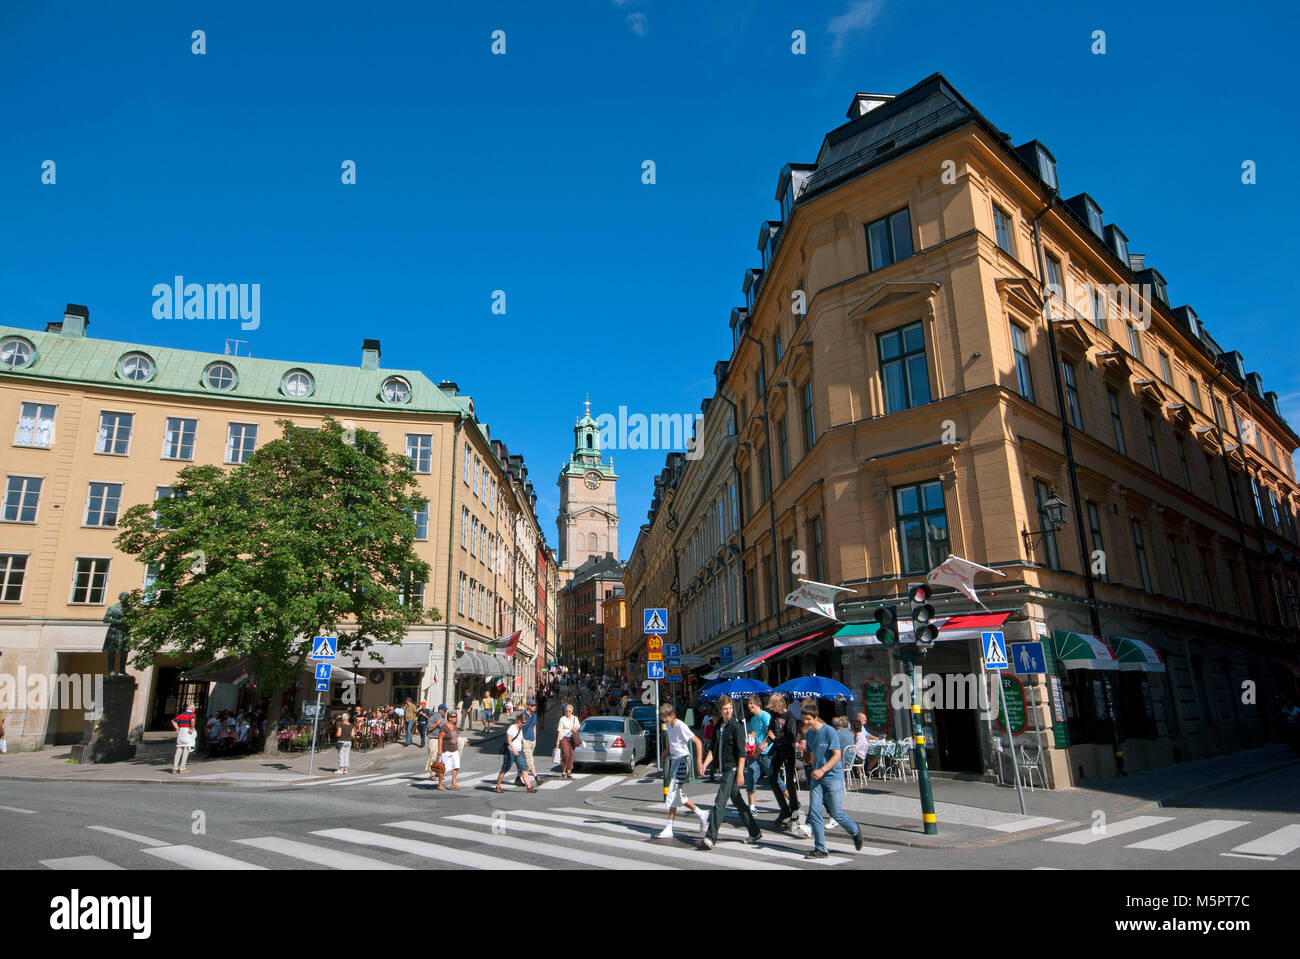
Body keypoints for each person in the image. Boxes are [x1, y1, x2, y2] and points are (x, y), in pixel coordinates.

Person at [800, 699, 863, 859]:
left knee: (836, 812)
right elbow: (812, 754)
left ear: (815, 718)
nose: (806, 722)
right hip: (817, 778)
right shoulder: (809, 734)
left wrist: (822, 769)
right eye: (804, 719)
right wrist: (807, 758)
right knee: (814, 812)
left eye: (808, 719)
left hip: (833, 776)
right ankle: (820, 848)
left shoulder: (829, 732)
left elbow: (837, 755)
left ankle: (855, 830)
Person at [698, 695, 762, 850]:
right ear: (720, 710)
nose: (728, 711)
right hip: (724, 768)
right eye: (725, 709)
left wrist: (740, 772)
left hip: (732, 769)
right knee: (738, 801)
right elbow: (713, 749)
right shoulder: (719, 726)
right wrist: (704, 765)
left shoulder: (737, 727)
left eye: (730, 708)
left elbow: (741, 753)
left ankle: (711, 837)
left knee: (719, 802)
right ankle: (755, 832)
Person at [656, 704, 710, 839]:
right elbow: (673, 743)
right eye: (662, 718)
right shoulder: (669, 726)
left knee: (672, 792)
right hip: (674, 760)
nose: (664, 721)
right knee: (678, 794)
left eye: (665, 718)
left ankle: (669, 827)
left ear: (672, 715)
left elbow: (697, 742)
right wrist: (665, 752)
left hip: (683, 761)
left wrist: (699, 762)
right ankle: (701, 814)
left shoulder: (681, 726)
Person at [762, 692, 800, 828]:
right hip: (777, 750)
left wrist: (774, 738)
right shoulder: (774, 716)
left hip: (788, 751)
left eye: (773, 706)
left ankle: (794, 811)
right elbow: (771, 731)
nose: (771, 709)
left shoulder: (789, 717)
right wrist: (766, 741)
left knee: (790, 783)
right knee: (772, 778)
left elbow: (791, 737)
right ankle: (784, 810)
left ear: (778, 704)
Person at [495, 711, 537, 793]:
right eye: (523, 723)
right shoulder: (511, 728)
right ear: (519, 721)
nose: (524, 724)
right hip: (510, 751)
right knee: (505, 769)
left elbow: (521, 740)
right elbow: (509, 741)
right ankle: (498, 786)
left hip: (519, 752)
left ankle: (529, 787)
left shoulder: (520, 729)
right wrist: (513, 750)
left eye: (525, 723)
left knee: (524, 769)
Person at [743, 695, 772, 812]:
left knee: (775, 780)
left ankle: (792, 802)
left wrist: (763, 746)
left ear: (757, 704)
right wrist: (750, 738)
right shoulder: (753, 720)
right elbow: (754, 733)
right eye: (748, 704)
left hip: (766, 753)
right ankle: (752, 806)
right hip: (755, 754)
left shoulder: (766, 716)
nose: (749, 706)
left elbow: (769, 734)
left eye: (751, 703)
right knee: (750, 776)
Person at [435, 712, 461, 789]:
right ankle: (440, 784)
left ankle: (453, 783)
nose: (455, 718)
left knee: (456, 766)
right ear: (449, 718)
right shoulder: (444, 728)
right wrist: (439, 751)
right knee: (443, 768)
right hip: (445, 750)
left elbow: (456, 737)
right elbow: (440, 738)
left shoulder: (455, 727)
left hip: (454, 750)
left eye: (456, 716)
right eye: (454, 717)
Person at [517, 697, 540, 785]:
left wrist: (534, 739)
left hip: (532, 740)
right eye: (532, 705)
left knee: (524, 760)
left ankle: (518, 778)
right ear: (528, 706)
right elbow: (519, 727)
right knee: (530, 759)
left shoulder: (534, 716)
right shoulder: (523, 715)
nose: (534, 707)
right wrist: (521, 739)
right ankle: (536, 777)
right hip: (524, 740)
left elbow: (534, 727)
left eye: (534, 705)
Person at [171, 702, 197, 774]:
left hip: (181, 731)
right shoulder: (192, 714)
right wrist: (192, 728)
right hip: (187, 732)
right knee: (186, 750)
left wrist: (177, 728)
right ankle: (182, 768)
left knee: (179, 749)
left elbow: (173, 720)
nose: (195, 709)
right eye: (194, 707)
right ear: (192, 708)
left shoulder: (182, 714)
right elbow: (192, 720)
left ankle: (175, 767)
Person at [556, 703, 580, 778]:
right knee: (566, 754)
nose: (568, 713)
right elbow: (559, 730)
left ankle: (569, 771)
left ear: (572, 711)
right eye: (566, 711)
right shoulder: (562, 719)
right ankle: (563, 770)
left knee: (571, 755)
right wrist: (558, 740)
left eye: (569, 711)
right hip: (564, 738)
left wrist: (575, 729)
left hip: (572, 738)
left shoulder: (575, 718)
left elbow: (578, 726)